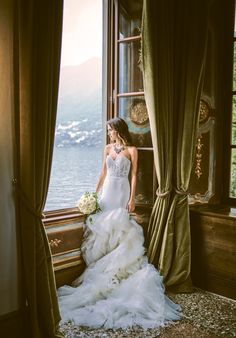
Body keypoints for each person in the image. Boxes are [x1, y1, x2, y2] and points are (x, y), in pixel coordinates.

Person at [58, 117, 181, 329]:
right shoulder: (107, 148)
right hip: (107, 192)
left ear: (118, 130)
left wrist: (132, 198)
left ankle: (119, 270)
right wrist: (93, 194)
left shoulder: (132, 150)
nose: (108, 133)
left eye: (110, 129)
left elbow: (133, 176)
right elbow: (103, 172)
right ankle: (103, 269)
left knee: (121, 228)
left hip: (122, 191)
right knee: (103, 229)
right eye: (107, 130)